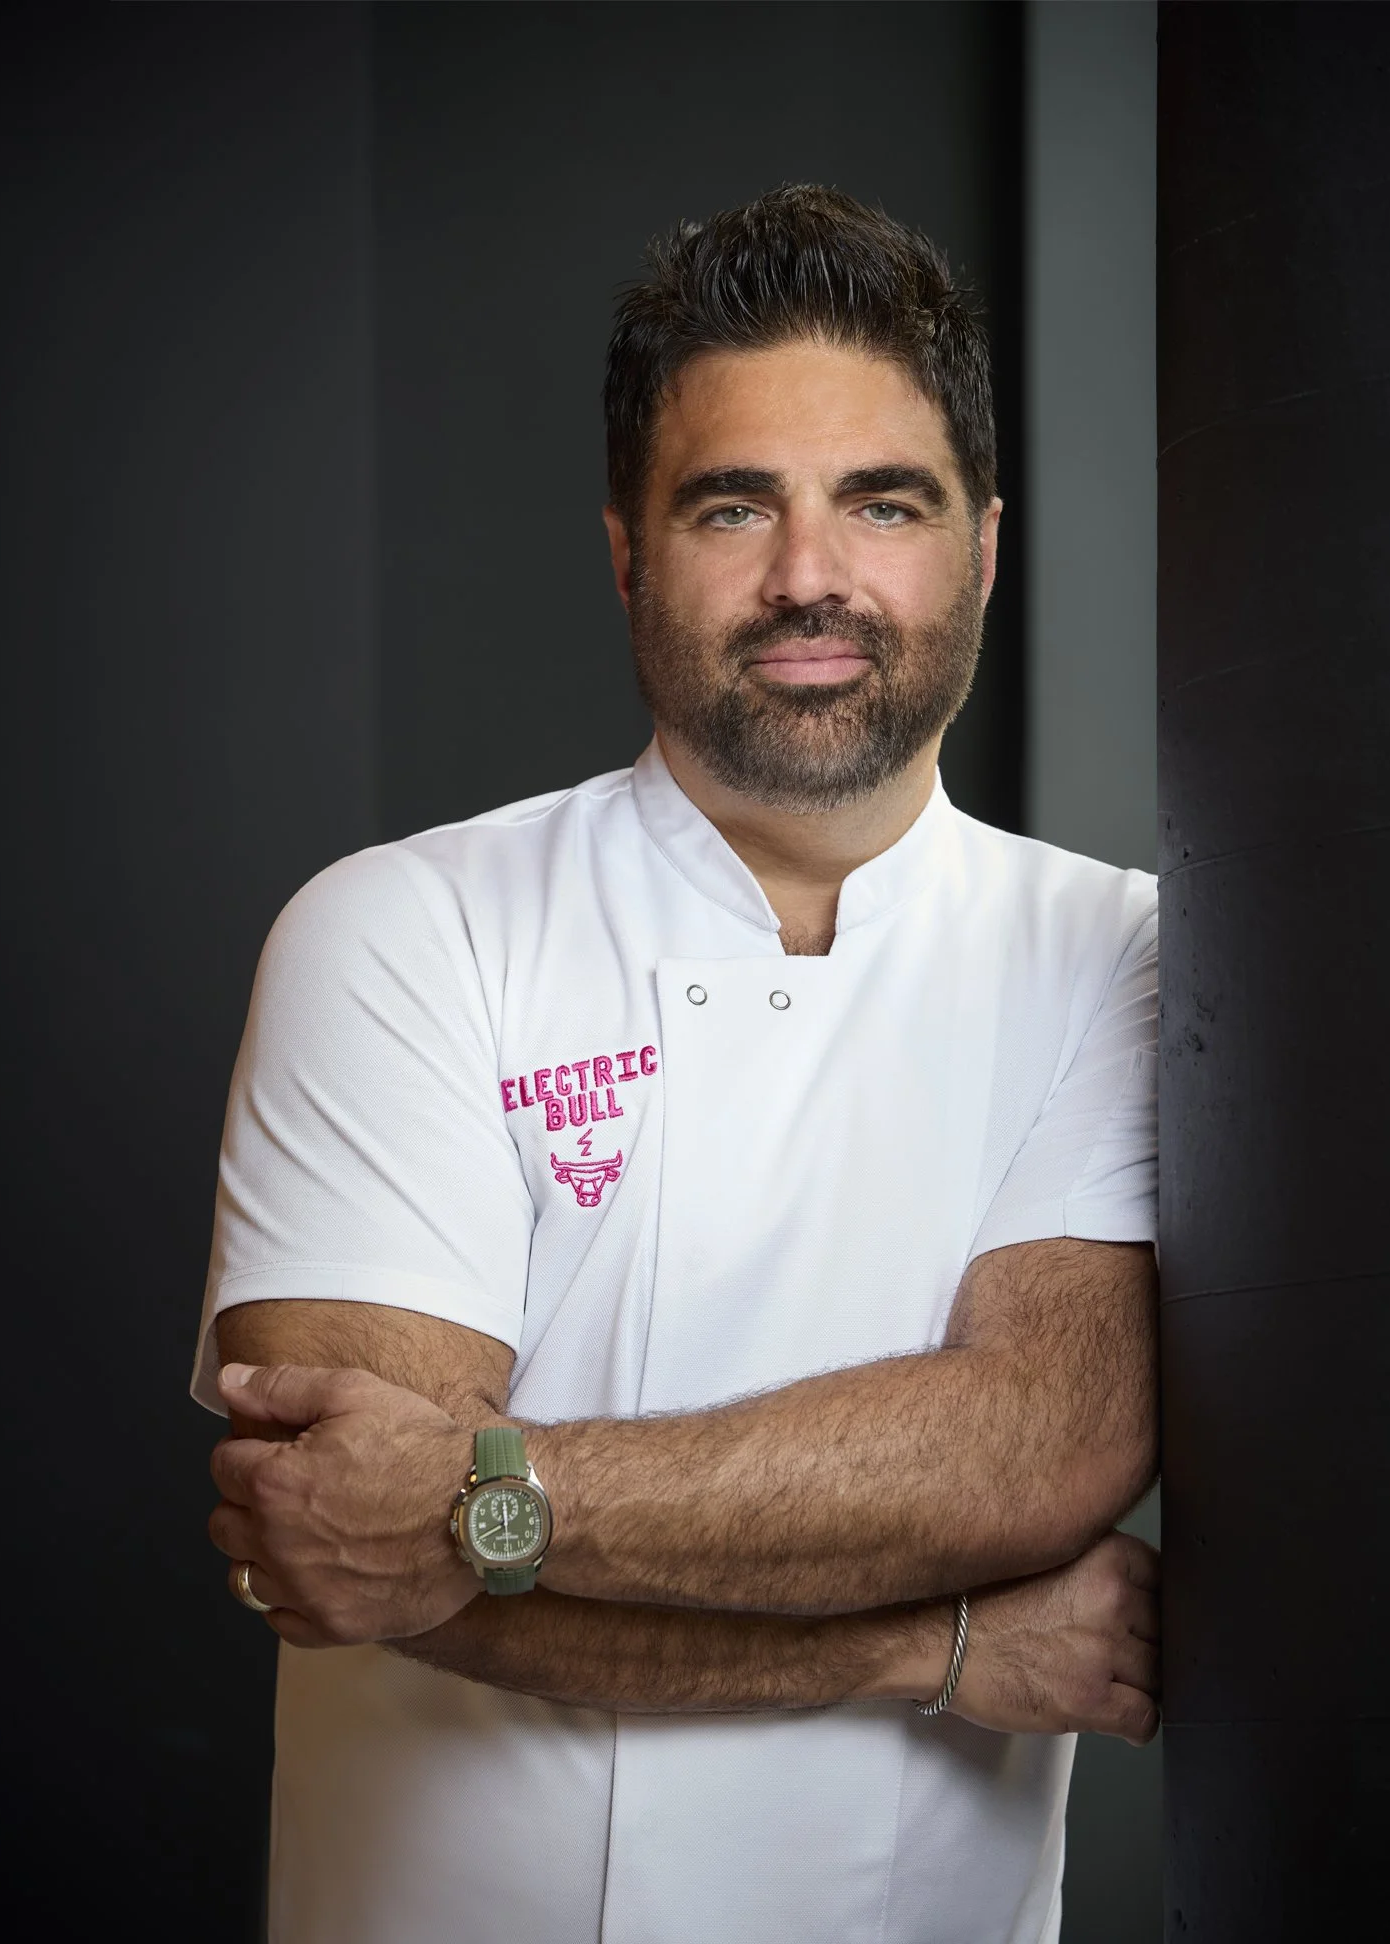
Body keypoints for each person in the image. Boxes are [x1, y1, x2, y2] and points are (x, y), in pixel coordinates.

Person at [198, 184, 1160, 1944]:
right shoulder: (403, 930)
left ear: (987, 547)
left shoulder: (1124, 954)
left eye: (886, 503)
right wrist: (937, 1647)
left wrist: (486, 1498)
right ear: (631, 553)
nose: (813, 576)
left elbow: (1037, 1450)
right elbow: (353, 1556)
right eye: (736, 505)